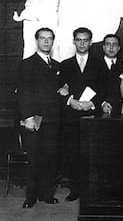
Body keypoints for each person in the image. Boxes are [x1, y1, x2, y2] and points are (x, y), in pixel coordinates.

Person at [59, 27, 105, 202]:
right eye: (79, 40)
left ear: (91, 42)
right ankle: (75, 189)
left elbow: (104, 88)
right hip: (71, 116)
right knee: (73, 153)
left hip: (92, 115)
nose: (82, 43)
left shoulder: (99, 63)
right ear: (74, 42)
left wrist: (91, 103)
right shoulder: (65, 65)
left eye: (86, 40)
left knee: (92, 153)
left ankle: (92, 191)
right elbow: (60, 89)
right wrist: (71, 101)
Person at [18, 27, 60, 208]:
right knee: (34, 158)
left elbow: (59, 92)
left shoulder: (57, 65)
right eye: (42, 38)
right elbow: (23, 93)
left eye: (49, 39)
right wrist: (27, 117)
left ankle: (47, 194)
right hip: (35, 119)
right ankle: (31, 197)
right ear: (36, 41)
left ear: (53, 41)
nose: (46, 42)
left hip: (53, 120)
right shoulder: (27, 64)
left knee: (50, 158)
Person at [99, 34, 123, 115]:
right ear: (103, 47)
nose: (111, 47)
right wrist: (102, 103)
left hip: (121, 110)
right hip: (99, 110)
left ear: (119, 48)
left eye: (114, 44)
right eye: (108, 44)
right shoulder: (94, 64)